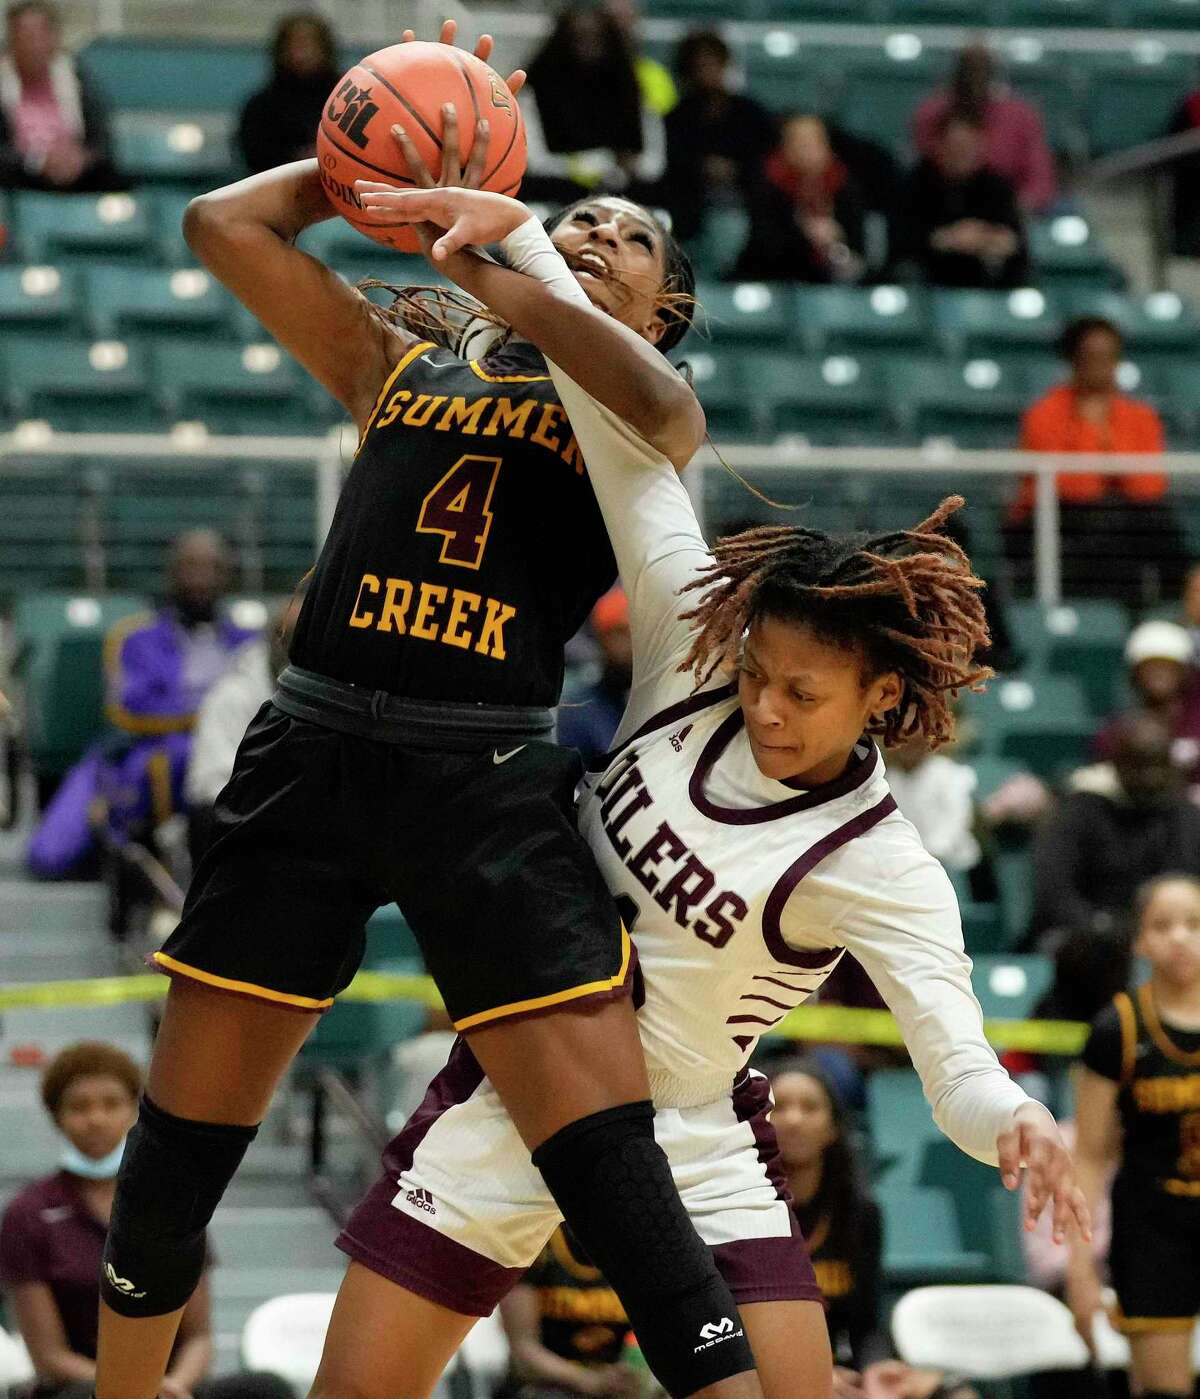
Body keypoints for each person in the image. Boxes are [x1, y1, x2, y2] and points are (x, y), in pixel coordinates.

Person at [305, 172, 1087, 1399]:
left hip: (693, 1134)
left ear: (882, 699)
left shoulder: (880, 862)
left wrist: (1016, 1128)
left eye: (803, 695)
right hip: (520, 1093)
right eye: (762, 673)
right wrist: (515, 226)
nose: (765, 705)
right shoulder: (694, 641)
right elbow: (618, 428)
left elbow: (958, 1063)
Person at [93, 24, 763, 1399]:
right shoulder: (405, 356)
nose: (587, 233)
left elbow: (668, 411)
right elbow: (220, 223)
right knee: (174, 1159)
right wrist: (388, 157)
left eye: (623, 237)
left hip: (484, 774)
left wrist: (515, 252)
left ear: (665, 306)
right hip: (315, 746)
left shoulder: (631, 404)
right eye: (573, 213)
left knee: (616, 1176)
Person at [0, 1042, 291, 1399]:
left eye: (111, 1104)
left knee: (267, 1390)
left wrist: (174, 1387)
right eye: (79, 1107)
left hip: (170, 1388)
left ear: (134, 1112)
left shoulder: (173, 1200)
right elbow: (50, 1358)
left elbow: (199, 1337)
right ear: (56, 1116)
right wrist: (134, 1389)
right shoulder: (27, 1214)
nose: (96, 1119)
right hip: (85, 1388)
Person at [27, 530, 259, 941]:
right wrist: (212, 713)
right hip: (150, 763)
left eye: (211, 568)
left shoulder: (248, 644)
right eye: (191, 567)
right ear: (171, 573)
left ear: (227, 575)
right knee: (49, 856)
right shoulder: (136, 637)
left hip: (232, 759)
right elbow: (129, 710)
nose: (200, 578)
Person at [771, 1061, 979, 1399]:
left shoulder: (860, 1213)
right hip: (766, 1370)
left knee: (955, 1393)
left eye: (809, 1108)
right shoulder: (740, 1211)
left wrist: (876, 1369)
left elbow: (865, 1323)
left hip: (841, 1369)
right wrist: (807, 1376)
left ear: (833, 1128)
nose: (793, 1119)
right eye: (778, 1107)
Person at [1066, 873, 1200, 1399]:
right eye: (1162, 926)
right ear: (1140, 940)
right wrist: (1080, 1266)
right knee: (1164, 1389)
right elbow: (1091, 1157)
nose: (1180, 938)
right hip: (1153, 1223)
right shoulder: (1116, 1030)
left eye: (1194, 924)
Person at [1006, 316, 1183, 605]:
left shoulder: (1141, 417)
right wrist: (1098, 439)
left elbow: (1150, 487)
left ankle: (1167, 615)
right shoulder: (1043, 414)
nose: (1101, 363)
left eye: (1109, 355)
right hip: (1061, 520)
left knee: (1156, 523)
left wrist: (1106, 442)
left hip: (1124, 521)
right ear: (1073, 359)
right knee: (1103, 525)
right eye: (1092, 355)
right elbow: (1068, 486)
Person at [1027, 711, 1200, 950]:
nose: (1149, 779)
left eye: (1157, 765)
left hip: (1175, 940)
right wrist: (1113, 931)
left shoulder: (1188, 819)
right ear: (1116, 764)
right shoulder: (1079, 813)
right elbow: (1054, 897)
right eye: (1138, 766)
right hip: (1095, 940)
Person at [184, 583, 308, 864]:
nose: (294, 648)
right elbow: (209, 785)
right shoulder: (231, 696)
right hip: (244, 826)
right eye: (286, 638)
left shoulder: (334, 693)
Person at [521, 6, 663, 207]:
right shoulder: (536, 91)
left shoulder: (629, 89)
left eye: (596, 40)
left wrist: (629, 167)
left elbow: (652, 162)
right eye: (579, 39)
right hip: (555, 193)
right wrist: (598, 161)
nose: (587, 49)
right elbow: (536, 161)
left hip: (620, 193)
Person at [660, 30, 777, 242]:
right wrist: (702, 168)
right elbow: (671, 164)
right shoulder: (676, 118)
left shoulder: (751, 113)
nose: (707, 72)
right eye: (699, 66)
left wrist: (735, 170)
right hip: (691, 203)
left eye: (712, 63)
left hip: (746, 199)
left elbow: (766, 158)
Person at [496, 1225, 637, 1399]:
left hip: (612, 1383)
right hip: (545, 1386)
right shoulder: (534, 1241)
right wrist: (588, 1380)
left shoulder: (636, 1243)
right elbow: (523, 1352)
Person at [912, 44, 1056, 213]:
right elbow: (923, 172)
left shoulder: (1020, 115)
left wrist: (1008, 211)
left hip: (1003, 212)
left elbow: (1039, 180)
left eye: (981, 70)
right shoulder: (931, 113)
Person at [892, 110, 1027, 289]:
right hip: (928, 280)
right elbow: (901, 240)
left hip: (988, 283)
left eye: (970, 146)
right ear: (939, 145)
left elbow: (1013, 240)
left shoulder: (996, 187)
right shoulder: (915, 184)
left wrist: (980, 237)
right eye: (956, 146)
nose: (962, 154)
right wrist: (949, 239)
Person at [0, 0, 121, 191]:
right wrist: (37, 161)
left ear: (53, 38)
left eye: (38, 36)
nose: (32, 45)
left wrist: (81, 159)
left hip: (79, 180)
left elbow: (102, 144)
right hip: (19, 182)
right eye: (24, 36)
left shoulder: (79, 80)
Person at [732, 112, 866, 284]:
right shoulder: (767, 183)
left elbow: (860, 248)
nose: (809, 150)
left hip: (831, 280)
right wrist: (805, 235)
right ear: (785, 147)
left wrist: (837, 236)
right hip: (773, 276)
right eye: (801, 143)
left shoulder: (844, 185)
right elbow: (765, 244)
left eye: (815, 142)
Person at [1092, 621, 1200, 786]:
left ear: (1184, 671)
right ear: (1135, 673)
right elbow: (1103, 754)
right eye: (1150, 667)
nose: (1159, 675)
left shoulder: (1195, 715)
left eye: (1167, 667)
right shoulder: (1122, 724)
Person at [237, 12, 341, 175]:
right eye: (295, 44)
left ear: (325, 49)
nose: (302, 53)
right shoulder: (261, 105)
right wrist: (298, 160)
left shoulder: (345, 98)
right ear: (281, 51)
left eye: (309, 43)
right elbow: (254, 156)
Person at [556, 587, 632, 773]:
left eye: (636, 634)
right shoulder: (579, 707)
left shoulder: (660, 698)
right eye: (622, 632)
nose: (631, 643)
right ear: (603, 637)